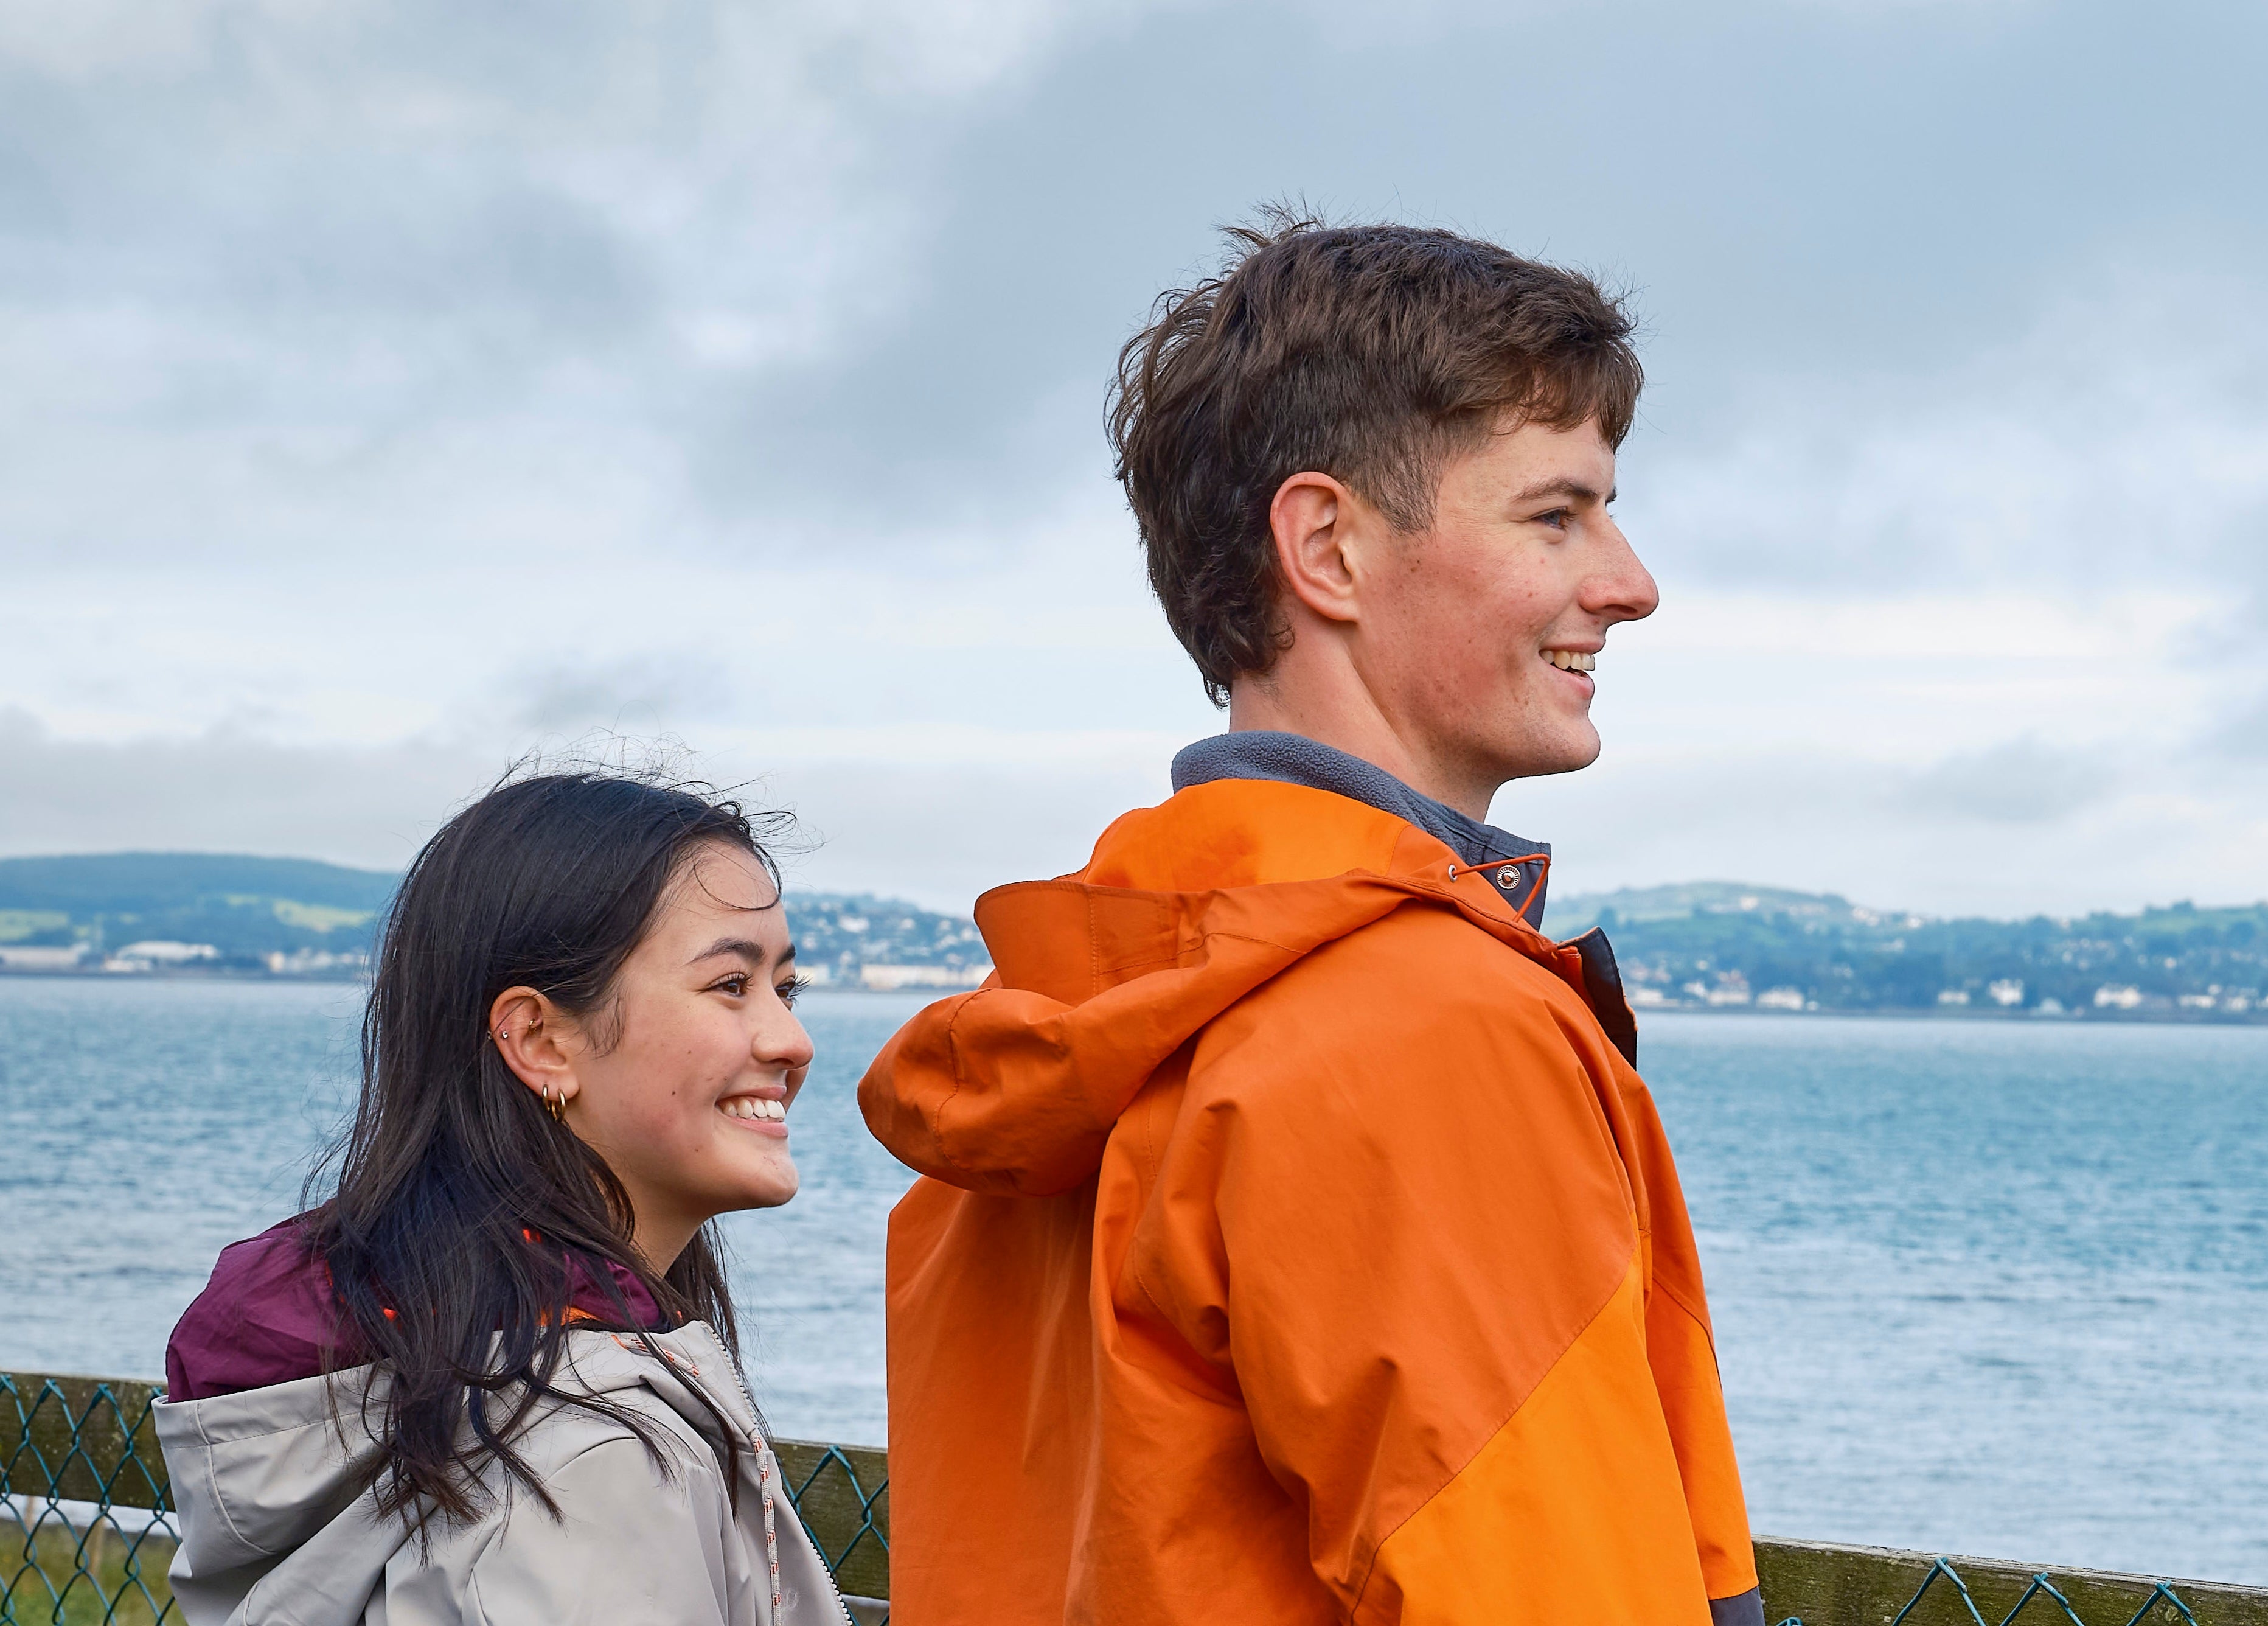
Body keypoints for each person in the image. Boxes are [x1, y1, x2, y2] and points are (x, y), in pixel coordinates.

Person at [860, 216, 1761, 1624]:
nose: (1630, 581)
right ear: (1327, 546)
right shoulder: (1426, 1030)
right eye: (1555, 513)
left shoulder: (1084, 1010)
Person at [153, 772, 851, 1626]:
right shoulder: (589, 1458)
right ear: (541, 1041)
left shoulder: (425, 1372)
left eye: (786, 989)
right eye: (731, 986)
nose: (792, 1041)